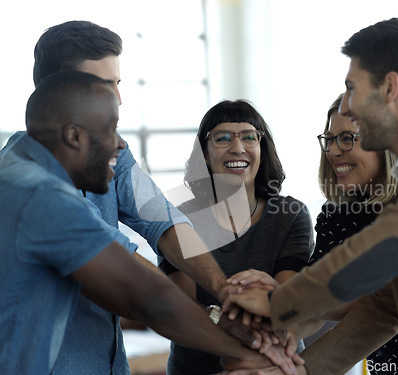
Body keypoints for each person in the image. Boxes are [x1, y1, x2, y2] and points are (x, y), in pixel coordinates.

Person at [222, 17, 398, 374]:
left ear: (390, 87)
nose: (348, 107)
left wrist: (276, 302)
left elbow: (381, 251)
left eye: (353, 89)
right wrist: (297, 371)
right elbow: (386, 306)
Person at [0, 71, 272, 375]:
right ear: (74, 135)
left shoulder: (20, 175)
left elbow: (160, 220)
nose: (120, 145)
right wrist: (244, 355)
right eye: (110, 130)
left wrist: (220, 297)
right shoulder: (46, 198)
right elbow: (149, 297)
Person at [30, 20, 234, 374]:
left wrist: (223, 288)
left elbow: (161, 217)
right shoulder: (33, 182)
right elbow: (122, 269)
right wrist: (226, 331)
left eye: (118, 83)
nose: (119, 99)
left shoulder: (111, 149)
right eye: (104, 85)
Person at [159, 99, 314, 375]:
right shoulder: (179, 219)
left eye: (249, 137)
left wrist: (262, 309)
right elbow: (182, 308)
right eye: (223, 138)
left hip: (273, 367)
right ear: (204, 153)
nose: (237, 147)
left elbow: (286, 303)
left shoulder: (290, 215)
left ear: (261, 149)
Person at [311, 93, 398, 374]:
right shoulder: (337, 215)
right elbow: (314, 298)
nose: (333, 151)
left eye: (346, 138)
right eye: (329, 139)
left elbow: (381, 306)